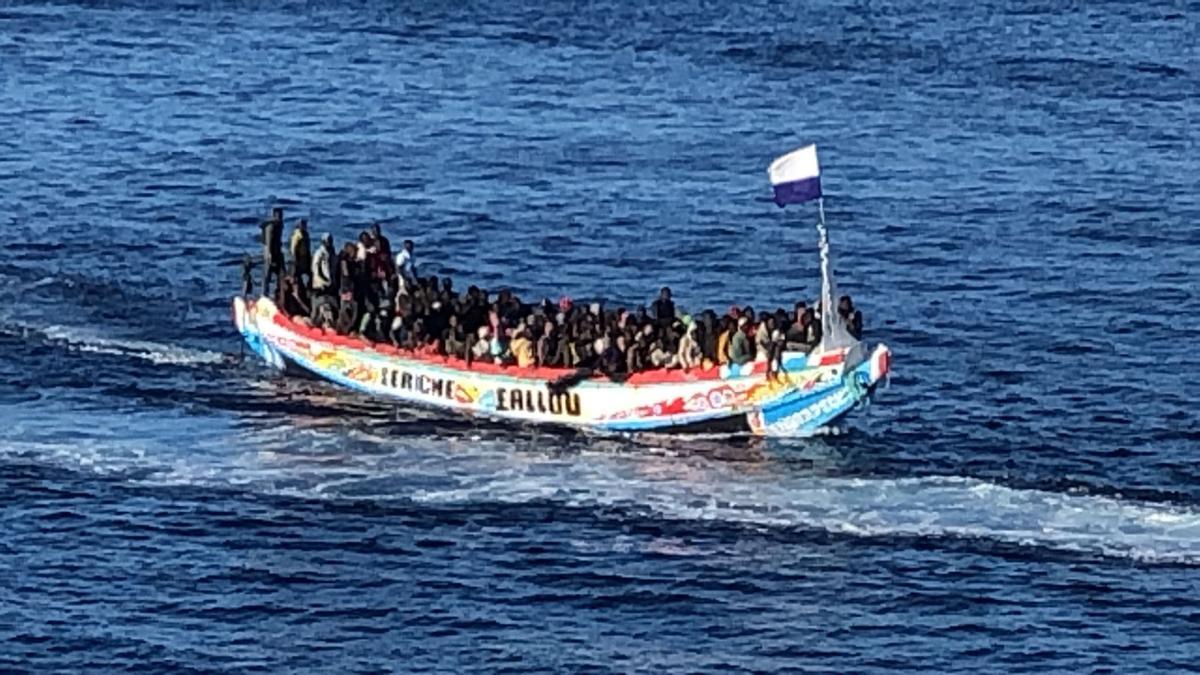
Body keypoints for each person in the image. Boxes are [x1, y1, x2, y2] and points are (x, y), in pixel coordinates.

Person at [260, 207, 284, 296]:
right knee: (267, 274)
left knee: (280, 274)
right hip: (270, 253)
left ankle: (279, 292)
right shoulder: (271, 226)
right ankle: (264, 294)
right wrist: (269, 254)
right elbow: (268, 240)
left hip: (277, 252)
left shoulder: (279, 224)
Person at [289, 219, 311, 287]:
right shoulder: (297, 234)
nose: (304, 226)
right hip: (298, 257)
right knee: (296, 273)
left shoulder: (306, 234)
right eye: (303, 224)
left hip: (305, 257)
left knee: (308, 273)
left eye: (305, 224)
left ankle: (305, 286)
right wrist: (294, 257)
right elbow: (293, 247)